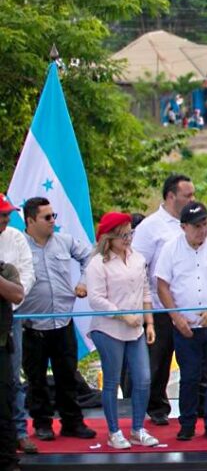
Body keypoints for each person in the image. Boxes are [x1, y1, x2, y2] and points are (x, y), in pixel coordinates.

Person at [133, 173, 207, 427]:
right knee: (160, 361)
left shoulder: (202, 225)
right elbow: (137, 267)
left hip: (203, 310)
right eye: (187, 195)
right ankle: (157, 407)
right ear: (170, 196)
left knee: (204, 368)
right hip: (161, 306)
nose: (192, 198)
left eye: (193, 194)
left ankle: (206, 407)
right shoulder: (150, 227)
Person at [154, 201, 207, 441]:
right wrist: (176, 317)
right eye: (197, 226)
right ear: (184, 227)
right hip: (186, 325)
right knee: (189, 376)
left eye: (205, 224)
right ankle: (187, 423)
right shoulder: (171, 249)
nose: (202, 230)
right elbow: (162, 285)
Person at [19, 197, 96, 441]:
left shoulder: (64, 242)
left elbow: (92, 257)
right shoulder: (18, 246)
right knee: (36, 379)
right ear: (30, 220)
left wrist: (83, 282)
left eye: (54, 216)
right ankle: (42, 424)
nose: (53, 221)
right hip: (32, 325)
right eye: (47, 217)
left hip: (63, 322)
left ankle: (72, 422)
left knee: (67, 375)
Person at [85, 212, 159, 450]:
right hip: (108, 329)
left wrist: (149, 323)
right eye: (122, 235)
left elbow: (146, 291)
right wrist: (121, 314)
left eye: (130, 233)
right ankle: (114, 431)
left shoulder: (137, 258)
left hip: (136, 328)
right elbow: (95, 299)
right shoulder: (98, 263)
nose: (128, 239)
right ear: (109, 238)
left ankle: (138, 428)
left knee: (144, 379)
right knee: (112, 381)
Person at [0, 194, 36, 455]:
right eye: (2, 214)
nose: (6, 218)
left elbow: (25, 276)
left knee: (12, 377)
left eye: (7, 213)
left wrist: (8, 305)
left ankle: (19, 432)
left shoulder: (15, 237)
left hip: (9, 317)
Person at [0, 231, 25, 471]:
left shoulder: (6, 270)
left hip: (1, 349)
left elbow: (17, 294)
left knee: (3, 407)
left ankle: (8, 461)